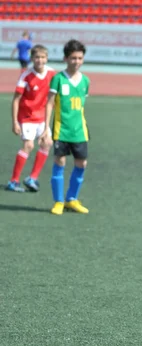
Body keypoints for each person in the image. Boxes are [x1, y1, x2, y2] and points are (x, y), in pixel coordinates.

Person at [45, 39, 91, 215]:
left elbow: (81, 106)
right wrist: (46, 129)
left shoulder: (86, 81)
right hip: (61, 130)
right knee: (60, 162)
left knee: (82, 163)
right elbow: (49, 104)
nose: (76, 61)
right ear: (65, 59)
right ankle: (58, 201)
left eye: (79, 58)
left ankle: (72, 199)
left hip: (79, 130)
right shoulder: (58, 79)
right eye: (73, 58)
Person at [6, 44, 55, 192]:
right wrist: (14, 122)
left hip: (42, 116)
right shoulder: (26, 75)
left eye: (42, 57)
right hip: (27, 116)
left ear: (46, 58)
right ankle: (13, 181)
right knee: (28, 146)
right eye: (36, 57)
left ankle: (32, 178)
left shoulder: (52, 73)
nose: (40, 60)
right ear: (32, 58)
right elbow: (16, 100)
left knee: (47, 143)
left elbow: (53, 98)